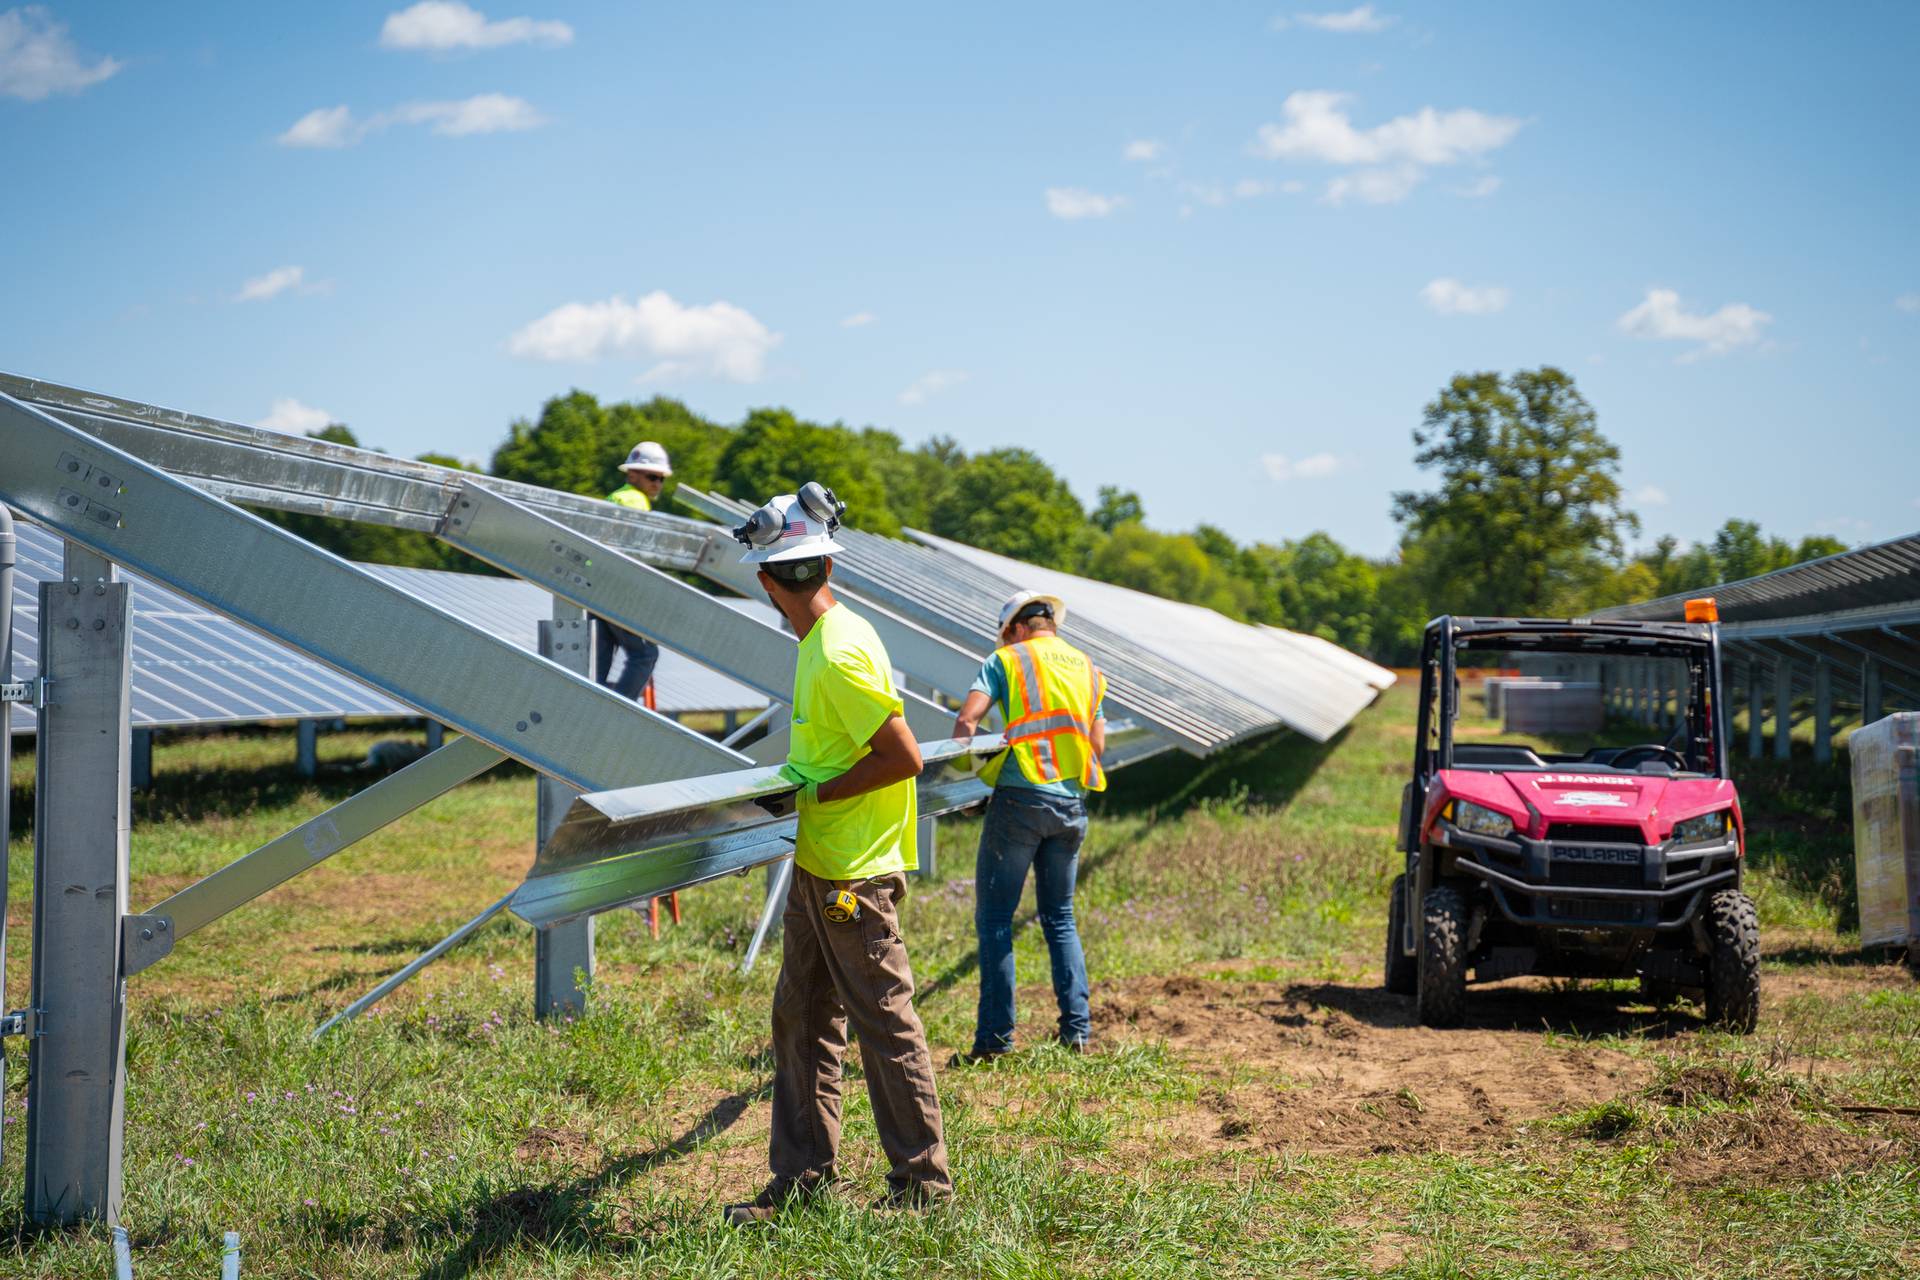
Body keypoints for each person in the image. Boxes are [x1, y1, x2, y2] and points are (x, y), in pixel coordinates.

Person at [723, 482, 952, 1224]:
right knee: (800, 1015)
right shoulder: (829, 636)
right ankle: (800, 1181)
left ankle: (922, 1190)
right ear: (829, 568)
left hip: (854, 876)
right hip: (823, 867)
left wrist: (812, 798)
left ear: (766, 582)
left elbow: (903, 756)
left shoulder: (840, 654)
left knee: (883, 1024)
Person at [951, 589, 1106, 1061]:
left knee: (996, 920)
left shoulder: (1006, 659)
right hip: (1071, 805)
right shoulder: (1088, 668)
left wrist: (965, 784)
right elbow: (1097, 744)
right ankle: (1076, 1032)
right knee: (1060, 918)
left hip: (1019, 799)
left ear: (1017, 628)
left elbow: (968, 720)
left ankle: (995, 1042)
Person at [594, 441, 670, 700]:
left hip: (597, 586)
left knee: (599, 662)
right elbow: (634, 549)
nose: (657, 484)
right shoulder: (636, 501)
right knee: (645, 654)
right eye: (652, 477)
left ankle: (591, 709)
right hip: (620, 588)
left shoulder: (614, 497)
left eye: (661, 479)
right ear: (632, 474)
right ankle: (617, 712)